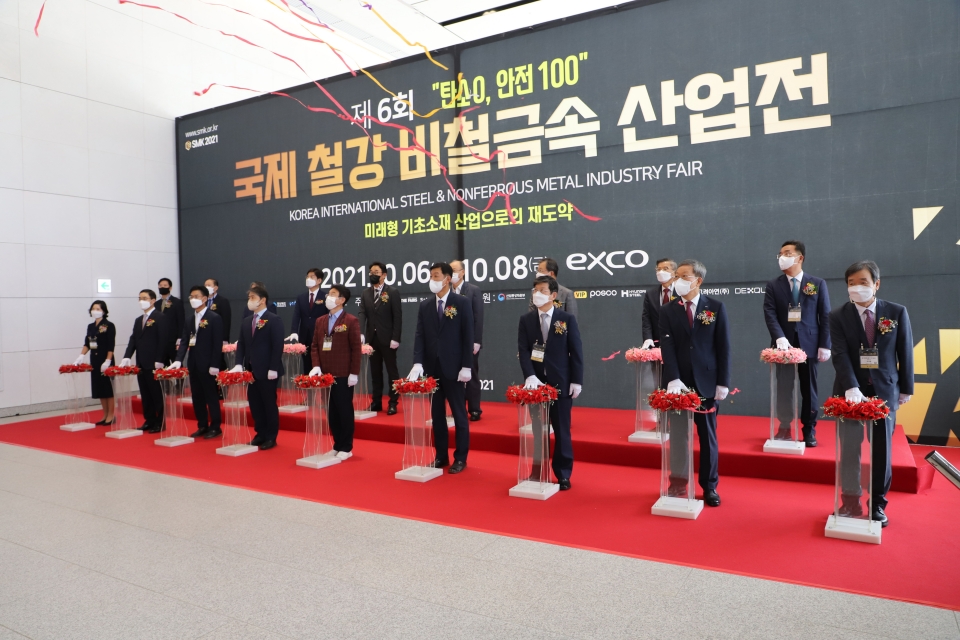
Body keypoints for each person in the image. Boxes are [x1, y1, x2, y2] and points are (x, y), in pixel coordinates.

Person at [830, 260, 913, 528]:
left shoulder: (896, 312)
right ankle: (850, 500)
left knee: (881, 451)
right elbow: (840, 354)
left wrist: (906, 388)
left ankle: (877, 503)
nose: (857, 287)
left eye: (863, 282)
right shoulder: (837, 315)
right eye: (851, 283)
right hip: (849, 392)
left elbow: (905, 351)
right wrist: (851, 386)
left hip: (884, 391)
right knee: (849, 449)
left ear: (876, 284)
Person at [659, 259, 730, 507]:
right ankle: (678, 483)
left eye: (683, 276)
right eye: (676, 276)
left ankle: (709, 486)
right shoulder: (667, 310)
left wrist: (723, 382)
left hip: (707, 382)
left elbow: (723, 347)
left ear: (698, 280)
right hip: (678, 383)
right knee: (678, 436)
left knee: (707, 437)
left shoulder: (715, 307)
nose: (677, 280)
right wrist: (673, 378)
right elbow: (667, 346)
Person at [763, 241, 831, 447]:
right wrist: (779, 337)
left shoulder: (817, 283)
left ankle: (809, 429)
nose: (782, 257)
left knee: (809, 389)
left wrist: (825, 344)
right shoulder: (773, 285)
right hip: (783, 347)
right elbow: (770, 313)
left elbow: (825, 315)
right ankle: (784, 426)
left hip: (810, 344)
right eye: (780, 254)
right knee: (784, 388)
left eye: (787, 253)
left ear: (800, 258)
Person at [518, 276, 583, 490]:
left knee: (562, 431)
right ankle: (538, 471)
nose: (537, 294)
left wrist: (576, 380)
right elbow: (524, 351)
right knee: (538, 431)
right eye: (535, 290)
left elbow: (576, 351)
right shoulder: (526, 320)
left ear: (553, 295)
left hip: (561, 383)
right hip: (536, 384)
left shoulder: (566, 318)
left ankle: (563, 473)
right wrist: (529, 375)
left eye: (542, 290)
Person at [408, 262, 474, 474]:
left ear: (447, 278)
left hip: (454, 368)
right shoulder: (425, 305)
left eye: (436, 276)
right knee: (437, 416)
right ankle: (441, 456)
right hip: (432, 369)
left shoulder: (461, 302)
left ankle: (460, 458)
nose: (432, 280)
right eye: (430, 276)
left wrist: (466, 366)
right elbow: (420, 335)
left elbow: (468, 336)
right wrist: (418, 362)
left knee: (459, 415)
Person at [308, 285, 361, 459]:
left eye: (333, 294)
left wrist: (354, 372)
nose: (328, 297)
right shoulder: (320, 320)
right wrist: (316, 366)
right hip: (326, 374)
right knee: (331, 411)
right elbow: (314, 345)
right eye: (329, 294)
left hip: (343, 373)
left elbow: (356, 348)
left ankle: (346, 447)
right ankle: (337, 444)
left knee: (344, 410)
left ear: (342, 300)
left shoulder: (351, 320)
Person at [230, 284, 284, 450]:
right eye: (249, 298)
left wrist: (273, 367)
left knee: (268, 404)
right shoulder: (247, 321)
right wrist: (238, 364)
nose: (250, 301)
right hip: (251, 370)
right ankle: (260, 434)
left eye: (253, 297)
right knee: (255, 404)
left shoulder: (273, 319)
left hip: (268, 370)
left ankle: (271, 437)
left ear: (262, 300)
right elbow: (242, 344)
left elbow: (277, 345)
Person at [170, 286, 224, 439]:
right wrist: (178, 360)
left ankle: (215, 426)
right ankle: (202, 425)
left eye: (196, 296)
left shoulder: (214, 317)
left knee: (211, 396)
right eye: (191, 296)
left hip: (208, 365)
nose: (192, 299)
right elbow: (184, 341)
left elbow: (217, 343)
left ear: (205, 298)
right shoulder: (189, 319)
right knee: (197, 396)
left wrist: (215, 364)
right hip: (193, 363)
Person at [119, 290, 170, 433]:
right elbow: (134, 339)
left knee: (156, 394)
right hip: (141, 362)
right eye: (140, 298)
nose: (141, 301)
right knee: (145, 394)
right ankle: (149, 420)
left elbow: (163, 340)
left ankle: (160, 422)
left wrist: (160, 359)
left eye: (145, 298)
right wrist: (127, 356)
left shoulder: (160, 317)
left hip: (154, 362)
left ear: (153, 300)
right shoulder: (138, 320)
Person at [357, 262, 402, 414]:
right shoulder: (366, 293)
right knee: (375, 372)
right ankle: (376, 401)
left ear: (384, 275)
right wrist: (361, 333)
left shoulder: (392, 292)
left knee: (392, 372)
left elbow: (397, 316)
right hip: (372, 339)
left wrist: (396, 337)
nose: (372, 274)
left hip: (388, 339)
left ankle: (393, 402)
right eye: (371, 272)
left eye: (376, 272)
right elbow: (362, 313)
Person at [451, 260, 484, 421]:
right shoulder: (446, 291)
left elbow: (478, 317)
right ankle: (458, 408)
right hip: (452, 342)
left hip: (469, 340)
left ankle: (475, 409)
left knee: (471, 374)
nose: (452, 273)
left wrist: (476, 341)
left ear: (462, 272)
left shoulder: (473, 290)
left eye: (454, 270)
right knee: (454, 376)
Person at [73, 301, 116, 425]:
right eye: (93, 308)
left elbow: (111, 345)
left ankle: (111, 415)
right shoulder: (91, 326)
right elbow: (87, 343)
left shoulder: (109, 325)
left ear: (104, 311)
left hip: (105, 359)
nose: (95, 311)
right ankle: (105, 414)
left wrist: (108, 361)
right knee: (100, 388)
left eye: (98, 309)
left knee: (108, 389)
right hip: (95, 360)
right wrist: (81, 355)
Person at [286, 268, 328, 377]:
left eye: (312, 277)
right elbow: (296, 315)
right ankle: (307, 386)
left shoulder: (325, 297)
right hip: (305, 335)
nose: (308, 279)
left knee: (321, 364)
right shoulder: (301, 297)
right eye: (307, 276)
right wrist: (294, 331)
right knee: (307, 365)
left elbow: (328, 316)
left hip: (320, 336)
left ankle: (322, 386)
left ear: (319, 280)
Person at [641, 258, 677, 349]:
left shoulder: (682, 292)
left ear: (674, 272)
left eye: (665, 269)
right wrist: (648, 338)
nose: (661, 272)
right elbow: (646, 318)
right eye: (658, 269)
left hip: (679, 342)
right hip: (657, 343)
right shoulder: (650, 294)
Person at [155, 277, 184, 364]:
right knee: (162, 364)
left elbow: (181, 320)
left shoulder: (177, 302)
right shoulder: (156, 303)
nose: (162, 287)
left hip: (173, 339)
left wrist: (180, 337)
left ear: (170, 288)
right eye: (160, 285)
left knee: (176, 363)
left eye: (165, 285)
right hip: (160, 340)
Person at [204, 278, 232, 345]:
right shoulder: (203, 301)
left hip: (218, 335)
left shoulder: (222, 301)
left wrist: (225, 338)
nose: (206, 287)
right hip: (205, 336)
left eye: (209, 285)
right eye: (205, 285)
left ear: (216, 288)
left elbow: (226, 321)